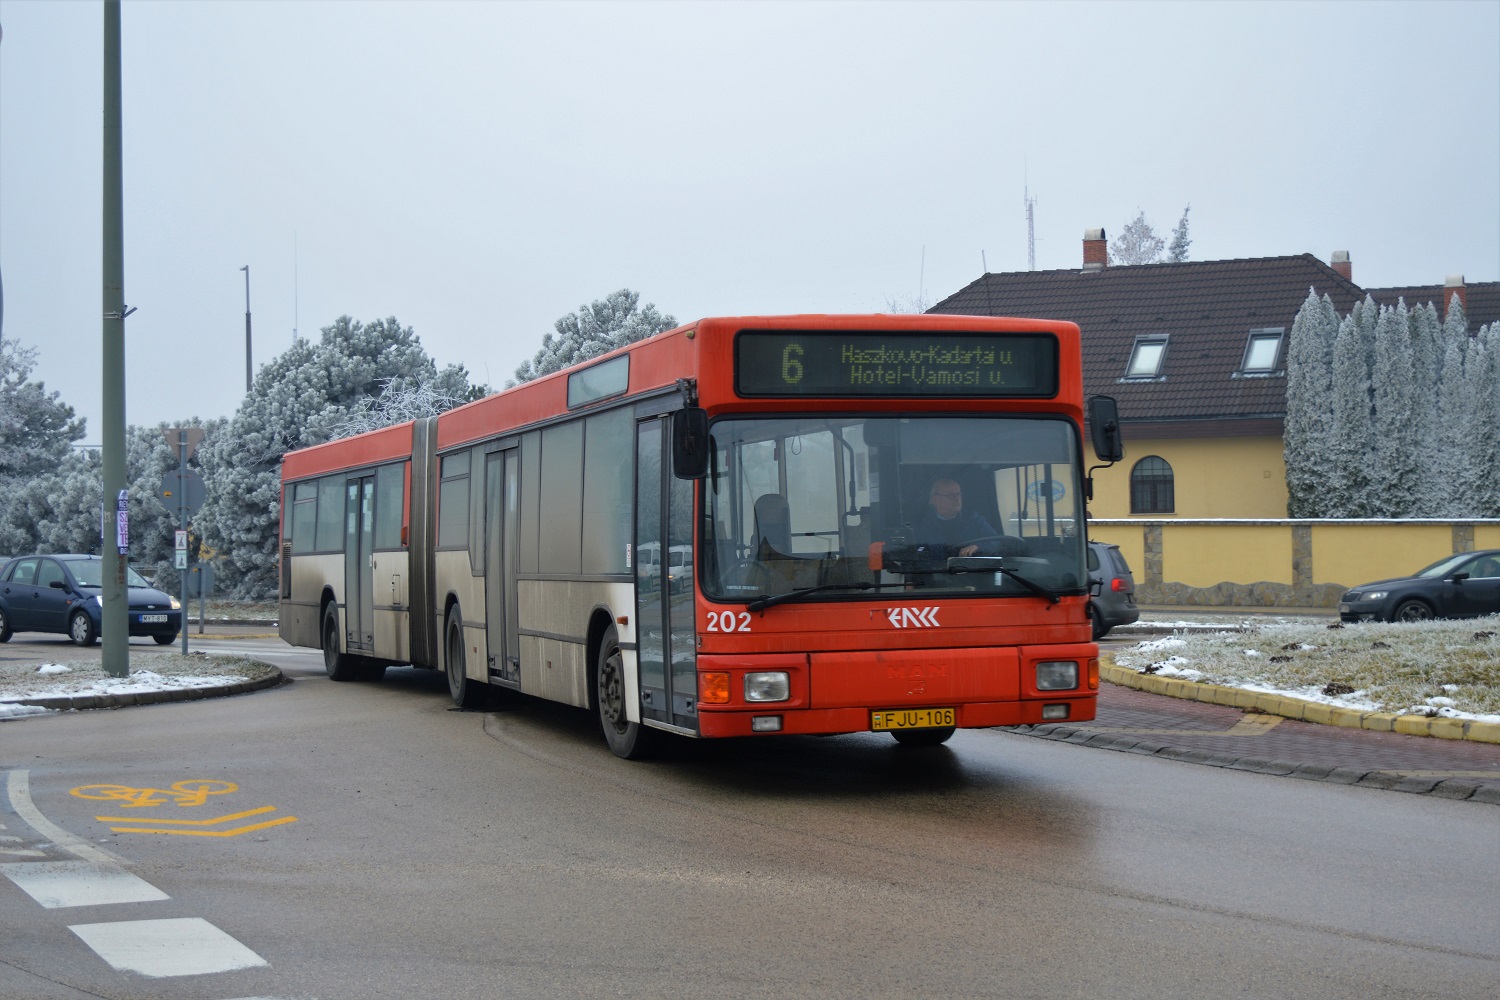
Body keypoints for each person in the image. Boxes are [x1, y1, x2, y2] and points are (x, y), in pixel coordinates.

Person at [912, 478, 1000, 557]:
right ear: (935, 500)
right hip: (933, 572)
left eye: (958, 494)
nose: (957, 498)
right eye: (951, 495)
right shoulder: (921, 524)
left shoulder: (973, 519)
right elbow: (915, 553)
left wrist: (977, 546)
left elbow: (996, 541)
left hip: (970, 572)